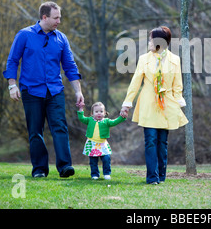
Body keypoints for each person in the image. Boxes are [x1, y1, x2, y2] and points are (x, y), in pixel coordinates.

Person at [3, 1, 84, 178]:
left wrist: (78, 91)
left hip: (55, 91)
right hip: (31, 91)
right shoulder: (24, 35)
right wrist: (12, 85)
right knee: (35, 131)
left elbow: (70, 66)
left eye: (60, 17)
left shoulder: (61, 38)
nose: (59, 21)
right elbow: (12, 61)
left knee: (60, 128)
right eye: (56, 18)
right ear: (44, 17)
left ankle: (65, 167)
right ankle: (39, 169)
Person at [120, 26, 188, 184]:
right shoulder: (144, 59)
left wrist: (178, 102)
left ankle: (161, 176)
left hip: (167, 105)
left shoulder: (175, 60)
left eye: (151, 39)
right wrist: (127, 103)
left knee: (162, 142)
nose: (149, 42)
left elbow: (178, 85)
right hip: (149, 105)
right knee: (150, 140)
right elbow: (136, 82)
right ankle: (152, 177)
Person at [77, 101, 126, 180]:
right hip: (92, 143)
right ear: (92, 113)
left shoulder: (106, 121)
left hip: (102, 144)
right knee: (93, 161)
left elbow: (115, 122)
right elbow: (81, 118)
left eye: (101, 111)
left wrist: (122, 117)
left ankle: (106, 174)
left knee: (106, 158)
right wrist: (80, 109)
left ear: (105, 113)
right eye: (96, 112)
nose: (99, 113)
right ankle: (95, 175)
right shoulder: (89, 120)